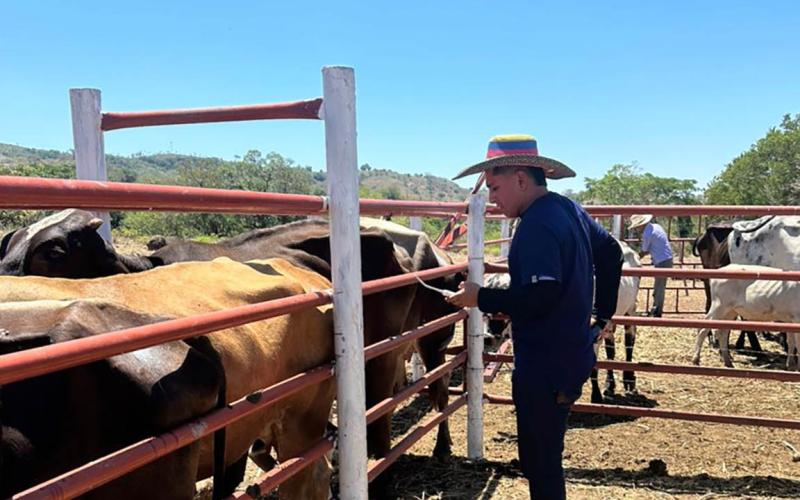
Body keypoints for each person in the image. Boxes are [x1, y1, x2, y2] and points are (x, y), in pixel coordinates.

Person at [447, 134, 623, 499]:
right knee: (542, 458)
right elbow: (611, 253)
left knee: (542, 466)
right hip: (568, 355)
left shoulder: (536, 225)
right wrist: (601, 316)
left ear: (521, 180)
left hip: (546, 364)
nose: (492, 198)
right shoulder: (566, 208)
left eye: (495, 188)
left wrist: (479, 296)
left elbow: (540, 297)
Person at [628, 214, 673, 317]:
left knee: (659, 288)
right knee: (659, 287)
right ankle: (656, 309)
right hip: (665, 259)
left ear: (641, 225)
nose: (636, 230)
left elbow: (644, 251)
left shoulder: (647, 234)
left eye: (636, 227)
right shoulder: (656, 227)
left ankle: (657, 312)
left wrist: (634, 258)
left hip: (662, 261)